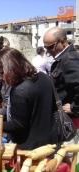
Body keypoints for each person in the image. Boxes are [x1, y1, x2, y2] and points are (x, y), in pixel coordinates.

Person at [0, 48, 58, 150]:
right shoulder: (43, 77)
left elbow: (18, 125)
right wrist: (1, 114)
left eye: (1, 73)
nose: (0, 77)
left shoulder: (20, 90)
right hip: (50, 139)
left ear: (11, 69)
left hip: (30, 146)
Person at [43, 26, 79, 161]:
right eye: (45, 48)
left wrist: (75, 107)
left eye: (50, 47)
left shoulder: (69, 59)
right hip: (63, 120)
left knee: (67, 158)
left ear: (62, 41)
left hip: (70, 122)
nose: (48, 51)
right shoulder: (62, 59)